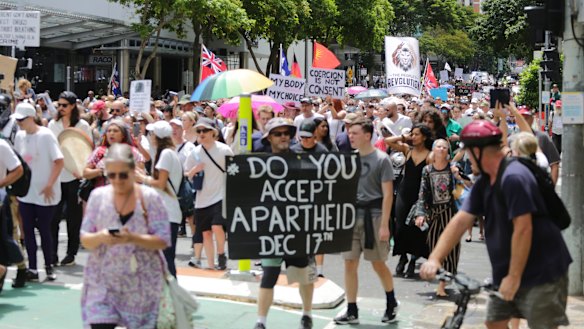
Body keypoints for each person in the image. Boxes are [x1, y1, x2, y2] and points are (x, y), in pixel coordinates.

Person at [420, 120, 572, 329]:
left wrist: (514, 276)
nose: (465, 158)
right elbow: (461, 220)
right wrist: (435, 258)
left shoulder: (514, 177)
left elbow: (523, 228)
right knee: (494, 323)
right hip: (506, 271)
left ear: (478, 151)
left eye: (467, 153)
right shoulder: (485, 180)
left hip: (542, 271)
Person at [80, 143, 171, 329]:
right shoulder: (98, 197)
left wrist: (133, 238)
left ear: (133, 170)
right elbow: (85, 237)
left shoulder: (150, 198)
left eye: (123, 175)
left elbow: (163, 240)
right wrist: (102, 236)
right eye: (111, 175)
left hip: (142, 283)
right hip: (103, 281)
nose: (117, 180)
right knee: (99, 324)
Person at [334, 118, 398, 325]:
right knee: (349, 263)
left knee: (378, 264)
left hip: (375, 216)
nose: (350, 136)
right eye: (349, 133)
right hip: (352, 216)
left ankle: (391, 302)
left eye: (354, 133)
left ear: (367, 136)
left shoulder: (382, 160)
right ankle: (351, 308)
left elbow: (388, 195)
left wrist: (385, 225)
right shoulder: (349, 159)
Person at [254, 118, 315, 329]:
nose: (283, 137)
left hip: (299, 229)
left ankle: (307, 314)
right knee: (269, 276)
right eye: (278, 133)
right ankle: (260, 321)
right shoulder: (258, 163)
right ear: (269, 137)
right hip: (272, 230)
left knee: (304, 275)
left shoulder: (302, 160)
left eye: (286, 133)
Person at [13, 102, 64, 282]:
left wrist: (50, 184)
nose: (19, 123)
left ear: (31, 118)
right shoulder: (19, 136)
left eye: (21, 120)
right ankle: (33, 268)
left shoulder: (46, 135)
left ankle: (48, 266)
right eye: (17, 120)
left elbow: (59, 161)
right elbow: (18, 164)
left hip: (45, 193)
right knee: (27, 230)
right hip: (27, 192)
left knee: (44, 229)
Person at [48, 91, 93, 266]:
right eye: (59, 105)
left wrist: (81, 169)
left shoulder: (82, 125)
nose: (61, 108)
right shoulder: (53, 124)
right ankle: (52, 254)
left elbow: (88, 150)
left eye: (64, 105)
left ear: (73, 106)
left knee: (74, 219)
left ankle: (71, 253)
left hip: (75, 177)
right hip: (56, 176)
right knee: (53, 217)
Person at [184, 118, 233, 270]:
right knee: (205, 233)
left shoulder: (224, 150)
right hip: (202, 198)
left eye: (205, 130)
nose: (202, 133)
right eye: (199, 131)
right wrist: (194, 170)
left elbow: (233, 170)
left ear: (213, 132)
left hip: (221, 195)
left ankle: (221, 254)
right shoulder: (195, 152)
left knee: (217, 226)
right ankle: (211, 265)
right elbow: (187, 174)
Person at [135, 120, 182, 277]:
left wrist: (142, 178)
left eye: (151, 133)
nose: (149, 136)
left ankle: (171, 296)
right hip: (165, 212)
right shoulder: (166, 153)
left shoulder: (166, 154)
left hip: (167, 213)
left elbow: (160, 184)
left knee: (165, 259)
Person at [413, 139, 460, 297]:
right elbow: (422, 193)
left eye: (444, 147)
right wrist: (420, 213)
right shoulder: (427, 170)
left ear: (448, 151)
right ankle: (441, 277)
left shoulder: (453, 168)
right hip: (434, 214)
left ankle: (442, 285)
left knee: (451, 249)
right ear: (433, 150)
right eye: (438, 146)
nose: (441, 149)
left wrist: (458, 177)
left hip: (451, 213)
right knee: (435, 248)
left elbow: (465, 188)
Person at [385, 124, 432, 277]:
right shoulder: (407, 150)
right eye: (413, 134)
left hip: (419, 195)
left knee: (416, 229)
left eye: (417, 134)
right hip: (404, 193)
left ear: (424, 137)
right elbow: (388, 141)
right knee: (400, 226)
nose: (414, 136)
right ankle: (402, 257)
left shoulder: (429, 156)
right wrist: (404, 137)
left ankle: (413, 260)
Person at [83, 120, 145, 189]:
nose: (111, 133)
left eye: (115, 131)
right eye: (109, 131)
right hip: (103, 195)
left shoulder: (132, 152)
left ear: (123, 135)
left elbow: (141, 177)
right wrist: (101, 171)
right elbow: (85, 173)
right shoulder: (99, 152)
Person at [0, 136, 25, 290]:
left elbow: (18, 169)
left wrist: (1, 185)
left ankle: (21, 268)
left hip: (1, 200)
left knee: (6, 239)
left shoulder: (1, 145)